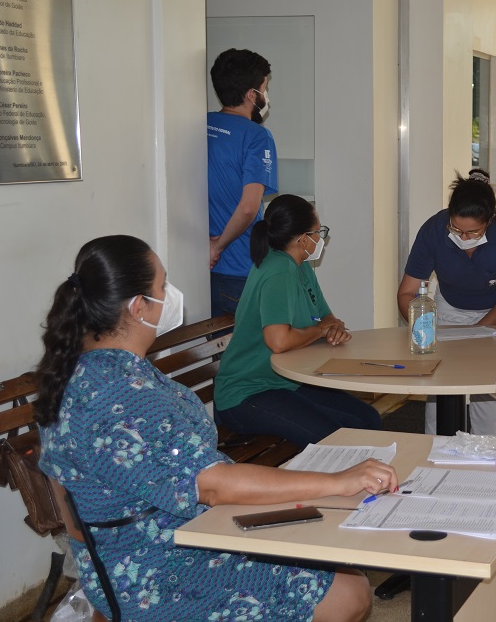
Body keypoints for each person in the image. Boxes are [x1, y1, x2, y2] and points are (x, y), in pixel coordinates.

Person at [35, 235, 396, 621]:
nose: (170, 295)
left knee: (322, 545)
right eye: (162, 286)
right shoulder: (122, 390)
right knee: (347, 590)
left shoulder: (81, 370)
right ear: (139, 307)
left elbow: (68, 502)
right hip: (158, 572)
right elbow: (210, 484)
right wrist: (340, 481)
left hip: (144, 553)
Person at [215, 194, 382, 446]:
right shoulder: (277, 272)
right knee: (336, 441)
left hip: (286, 382)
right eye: (318, 232)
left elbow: (326, 316)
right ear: (303, 239)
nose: (321, 238)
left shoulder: (300, 265)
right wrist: (320, 330)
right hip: (247, 393)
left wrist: (332, 327)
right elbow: (278, 341)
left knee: (367, 419)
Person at [397, 169, 496, 435]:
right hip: (452, 304)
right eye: (456, 229)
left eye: (473, 232)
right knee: (442, 377)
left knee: (491, 378)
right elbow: (407, 293)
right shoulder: (433, 231)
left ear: (490, 220)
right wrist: (420, 329)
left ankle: (492, 451)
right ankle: (437, 449)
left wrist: (480, 330)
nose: (463, 236)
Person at [208, 48, 279, 317]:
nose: (266, 96)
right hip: (238, 268)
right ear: (252, 95)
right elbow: (249, 208)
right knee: (246, 354)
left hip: (198, 266)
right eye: (265, 88)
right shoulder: (257, 136)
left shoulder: (198, 124)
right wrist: (218, 246)